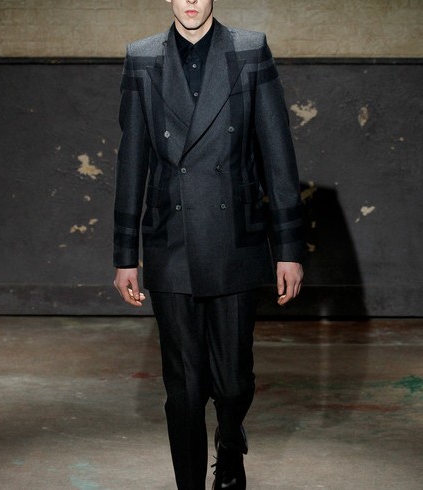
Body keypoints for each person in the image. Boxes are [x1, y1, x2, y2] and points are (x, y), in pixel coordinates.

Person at [113, 1, 304, 488]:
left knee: (234, 382)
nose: (191, 0)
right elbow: (131, 160)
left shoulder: (249, 50)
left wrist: (288, 248)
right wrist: (125, 255)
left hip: (235, 238)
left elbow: (277, 154)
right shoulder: (142, 57)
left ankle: (230, 439)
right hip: (169, 240)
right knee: (184, 389)